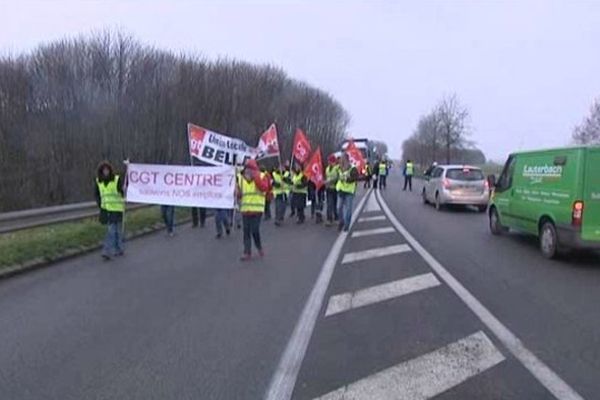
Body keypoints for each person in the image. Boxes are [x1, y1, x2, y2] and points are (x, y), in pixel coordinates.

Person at [237, 159, 271, 260]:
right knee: (246, 231)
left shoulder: (261, 176)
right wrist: (237, 193)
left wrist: (256, 178)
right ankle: (247, 252)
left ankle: (259, 247)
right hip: (245, 209)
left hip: (257, 209)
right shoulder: (241, 179)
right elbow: (239, 194)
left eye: (250, 169)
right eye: (246, 168)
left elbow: (264, 188)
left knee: (254, 230)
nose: (248, 171)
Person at [95, 161, 126, 260]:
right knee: (111, 231)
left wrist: (124, 190)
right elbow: (97, 195)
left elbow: (122, 192)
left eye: (107, 170)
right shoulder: (98, 181)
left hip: (117, 208)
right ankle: (108, 250)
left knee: (117, 230)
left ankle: (117, 249)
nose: (105, 172)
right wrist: (100, 204)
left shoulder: (116, 180)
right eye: (104, 170)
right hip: (106, 210)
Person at [336, 154, 359, 232]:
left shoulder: (353, 168)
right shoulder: (339, 168)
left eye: (342, 159)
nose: (340, 160)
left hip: (349, 192)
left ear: (346, 160)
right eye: (340, 159)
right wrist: (329, 181)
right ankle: (341, 221)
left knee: (348, 209)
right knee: (339, 208)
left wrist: (347, 179)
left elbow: (356, 178)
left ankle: (347, 224)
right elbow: (337, 177)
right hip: (341, 191)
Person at [324, 155, 340, 227]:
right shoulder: (327, 169)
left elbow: (338, 178)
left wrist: (331, 181)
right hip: (328, 189)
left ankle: (336, 217)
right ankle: (329, 219)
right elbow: (326, 177)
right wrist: (325, 182)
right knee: (329, 204)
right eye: (329, 161)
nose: (329, 163)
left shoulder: (336, 168)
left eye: (331, 161)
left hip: (335, 188)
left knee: (334, 204)